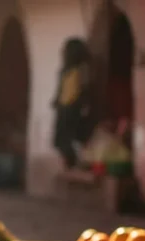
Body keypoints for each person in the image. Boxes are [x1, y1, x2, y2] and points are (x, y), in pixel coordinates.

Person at [51, 38, 94, 170]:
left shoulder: (82, 69)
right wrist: (56, 100)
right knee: (59, 140)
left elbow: (85, 88)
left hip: (74, 107)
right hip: (63, 107)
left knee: (72, 138)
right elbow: (61, 88)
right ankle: (69, 163)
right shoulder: (65, 70)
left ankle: (73, 164)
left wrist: (85, 105)